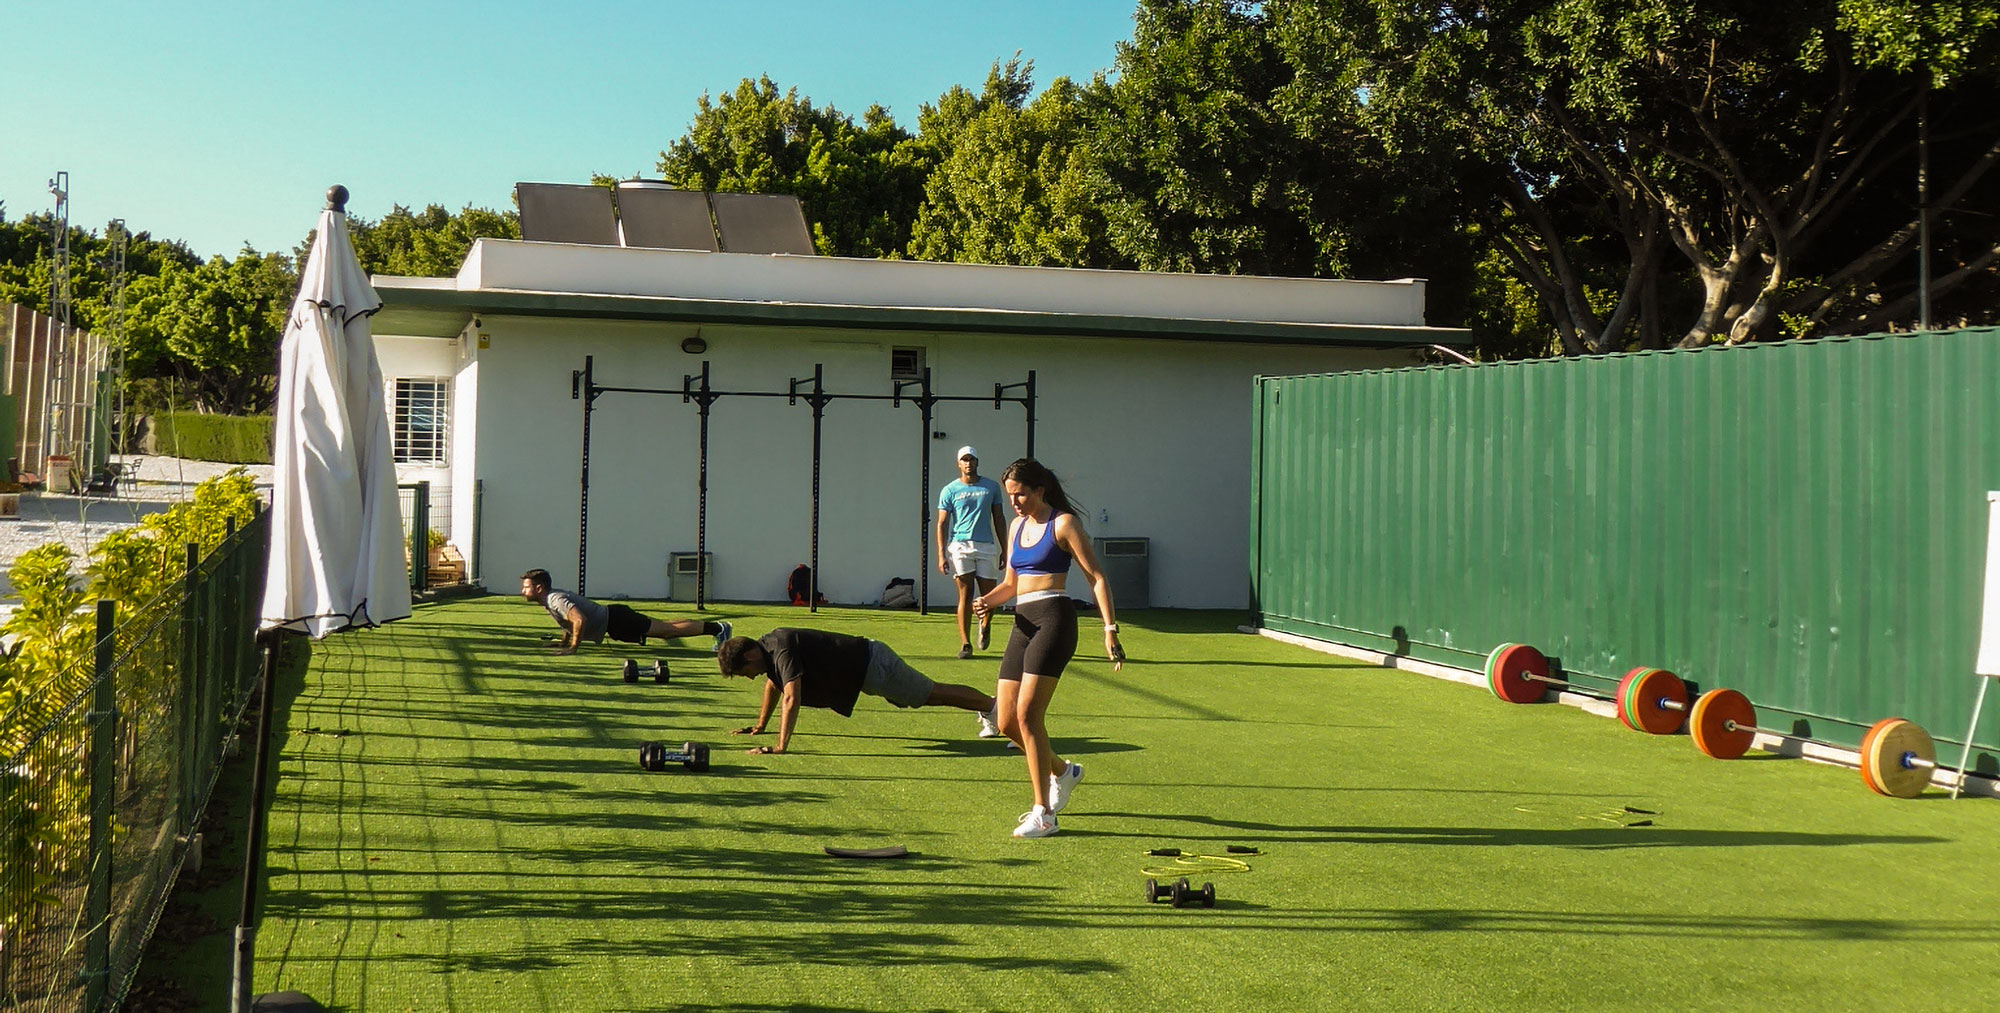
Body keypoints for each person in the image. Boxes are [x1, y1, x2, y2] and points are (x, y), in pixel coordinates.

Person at [973, 458, 1125, 838]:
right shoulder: (1016, 527)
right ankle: (1064, 771)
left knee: (1028, 715)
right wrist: (988, 601)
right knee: (1005, 721)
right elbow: (1012, 584)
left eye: (1021, 494)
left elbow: (1096, 577)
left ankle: (1044, 814)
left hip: (1054, 619)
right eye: (1010, 496)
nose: (1015, 502)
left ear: (1040, 490)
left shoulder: (1063, 524)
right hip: (1022, 622)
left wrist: (1109, 628)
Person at [717, 629, 999, 754]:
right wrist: (760, 725)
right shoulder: (768, 647)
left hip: (874, 665)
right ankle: (991, 707)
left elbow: (791, 696)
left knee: (932, 694)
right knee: (927, 697)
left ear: (750, 656)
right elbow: (774, 684)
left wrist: (781, 746)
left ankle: (993, 706)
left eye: (744, 672)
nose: (749, 678)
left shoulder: (781, 648)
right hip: (868, 670)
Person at [520, 568, 731, 656]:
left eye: (526, 587)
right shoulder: (551, 599)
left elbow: (579, 619)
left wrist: (573, 647)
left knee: (667, 631)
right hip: (615, 619)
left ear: (539, 588)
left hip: (616, 620)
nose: (523, 591)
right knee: (666, 627)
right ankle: (716, 628)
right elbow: (568, 621)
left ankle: (718, 628)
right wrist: (564, 642)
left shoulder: (554, 599)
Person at [936, 445, 1008, 660]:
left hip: (986, 546)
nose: (968, 463)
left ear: (977, 462)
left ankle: (985, 624)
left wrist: (1005, 548)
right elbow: (942, 523)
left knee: (989, 596)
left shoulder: (991, 487)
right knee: (965, 594)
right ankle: (965, 643)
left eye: (972, 459)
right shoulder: (949, 490)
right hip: (960, 545)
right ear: (958, 463)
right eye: (964, 460)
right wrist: (941, 554)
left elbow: (999, 518)